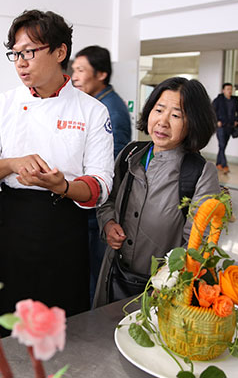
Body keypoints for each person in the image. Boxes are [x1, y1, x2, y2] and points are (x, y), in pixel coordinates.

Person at [0, 10, 114, 333]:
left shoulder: (92, 110)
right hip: (10, 224)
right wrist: (12, 163)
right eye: (15, 54)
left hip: (64, 227)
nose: (20, 63)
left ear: (60, 52)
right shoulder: (3, 104)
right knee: (4, 326)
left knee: (60, 329)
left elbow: (100, 185)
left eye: (29, 52)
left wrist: (63, 186)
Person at [93, 77, 220, 308]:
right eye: (159, 110)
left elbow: (197, 244)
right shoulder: (130, 154)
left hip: (162, 293)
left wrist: (167, 280)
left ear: (193, 122)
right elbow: (107, 200)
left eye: (176, 115)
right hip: (113, 278)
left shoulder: (200, 173)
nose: (163, 121)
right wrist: (108, 224)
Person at [71, 45, 132, 304]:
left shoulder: (110, 111)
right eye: (74, 69)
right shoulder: (94, 103)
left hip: (97, 211)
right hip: (88, 205)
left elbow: (111, 166)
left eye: (81, 70)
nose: (75, 76)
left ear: (101, 74)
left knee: (94, 276)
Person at [211, 82, 238, 174]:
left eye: (231, 89)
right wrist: (217, 121)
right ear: (223, 90)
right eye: (228, 89)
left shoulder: (235, 100)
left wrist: (237, 120)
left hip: (230, 126)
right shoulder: (218, 100)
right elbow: (211, 112)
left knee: (223, 146)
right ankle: (225, 165)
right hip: (221, 127)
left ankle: (218, 163)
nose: (229, 91)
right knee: (222, 145)